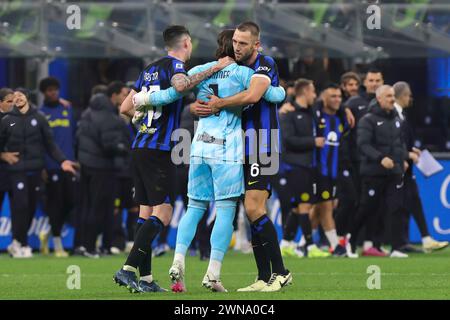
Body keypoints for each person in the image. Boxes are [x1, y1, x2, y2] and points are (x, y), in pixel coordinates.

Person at [133, 28, 285, 292]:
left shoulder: (199, 71)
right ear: (233, 48)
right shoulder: (244, 73)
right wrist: (279, 90)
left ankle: (178, 259)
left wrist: (144, 99)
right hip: (227, 150)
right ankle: (213, 273)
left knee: (195, 208)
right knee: (226, 210)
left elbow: (173, 93)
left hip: (199, 146)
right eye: (236, 43)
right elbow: (273, 95)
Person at [113, 25, 233, 293]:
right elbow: (180, 85)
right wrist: (212, 68)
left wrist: (142, 121)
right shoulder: (175, 67)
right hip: (158, 149)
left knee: (146, 213)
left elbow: (124, 108)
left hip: (141, 144)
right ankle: (127, 269)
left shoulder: (147, 70)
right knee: (164, 214)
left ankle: (144, 280)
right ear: (186, 43)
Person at [206, 21, 292, 292]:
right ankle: (263, 276)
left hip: (263, 143)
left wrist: (219, 103)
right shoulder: (233, 68)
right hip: (240, 145)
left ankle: (281, 273)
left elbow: (254, 96)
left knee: (255, 207)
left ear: (257, 44)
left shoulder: (265, 63)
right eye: (235, 42)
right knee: (249, 209)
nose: (237, 47)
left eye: (243, 43)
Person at [0, 89, 77, 258]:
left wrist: (62, 161)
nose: (18, 98)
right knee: (21, 205)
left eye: (21, 95)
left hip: (35, 169)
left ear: (27, 98)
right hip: (16, 170)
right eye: (15, 97)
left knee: (31, 207)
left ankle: (17, 242)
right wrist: (3, 155)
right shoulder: (7, 121)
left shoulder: (39, 118)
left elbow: (50, 144)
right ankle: (21, 242)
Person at [348, 85, 409, 258]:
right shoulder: (368, 119)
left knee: (395, 207)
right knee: (368, 208)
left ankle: (396, 248)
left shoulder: (397, 118)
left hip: (394, 172)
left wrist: (403, 157)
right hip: (373, 172)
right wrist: (380, 158)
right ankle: (350, 242)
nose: (392, 99)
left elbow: (399, 143)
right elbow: (363, 144)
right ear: (379, 98)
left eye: (393, 96)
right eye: (388, 96)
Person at [393, 81, 448, 253]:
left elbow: (401, 140)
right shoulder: (392, 115)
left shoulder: (401, 115)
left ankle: (417, 240)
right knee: (378, 206)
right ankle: (357, 239)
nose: (410, 99)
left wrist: (411, 150)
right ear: (402, 96)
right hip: (396, 166)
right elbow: (392, 140)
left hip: (406, 167)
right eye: (409, 95)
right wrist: (406, 154)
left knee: (411, 201)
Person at [278, 79, 330, 259]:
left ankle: (285, 244)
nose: (315, 95)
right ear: (305, 92)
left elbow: (330, 100)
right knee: (304, 205)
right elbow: (288, 140)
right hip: (294, 165)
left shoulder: (311, 112)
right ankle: (308, 245)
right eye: (313, 91)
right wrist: (313, 142)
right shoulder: (288, 113)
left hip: (310, 165)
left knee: (297, 206)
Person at [343, 68, 385, 256]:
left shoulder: (385, 104)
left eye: (378, 80)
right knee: (362, 203)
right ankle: (350, 240)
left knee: (378, 204)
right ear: (365, 83)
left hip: (382, 162)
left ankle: (371, 244)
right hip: (359, 162)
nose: (374, 83)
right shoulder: (353, 103)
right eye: (371, 80)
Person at [38, 77, 77, 258]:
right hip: (51, 166)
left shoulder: (67, 109)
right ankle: (57, 242)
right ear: (44, 93)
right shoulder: (41, 113)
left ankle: (47, 233)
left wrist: (75, 159)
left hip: (69, 165)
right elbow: (41, 144)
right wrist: (43, 167)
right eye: (49, 90)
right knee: (55, 205)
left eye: (55, 89)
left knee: (71, 202)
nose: (53, 92)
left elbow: (74, 135)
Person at [0, 88, 15, 211]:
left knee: (21, 210)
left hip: (16, 171)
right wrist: (1, 155)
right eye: (9, 102)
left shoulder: (17, 118)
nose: (12, 105)